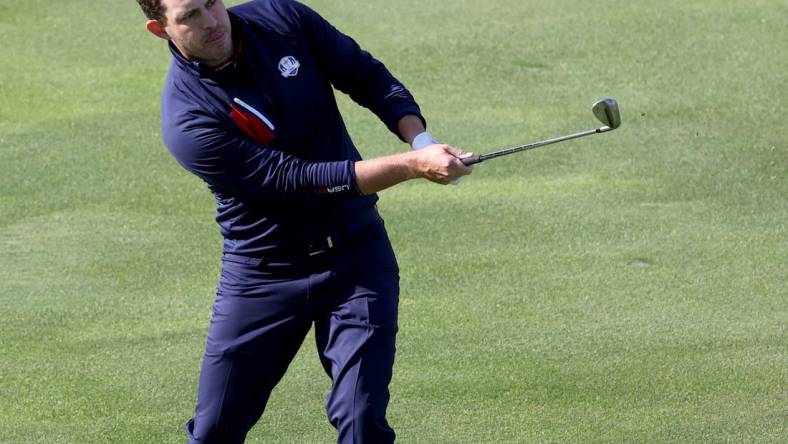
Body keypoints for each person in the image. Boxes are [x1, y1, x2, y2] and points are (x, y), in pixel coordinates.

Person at [136, 0, 472, 442]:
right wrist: (412, 166)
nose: (213, 21)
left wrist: (421, 140)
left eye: (211, 3)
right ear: (160, 30)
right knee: (215, 429)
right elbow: (299, 180)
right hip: (263, 273)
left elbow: (365, 74)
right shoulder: (187, 120)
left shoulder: (283, 19)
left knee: (362, 419)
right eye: (189, 16)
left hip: (356, 257)